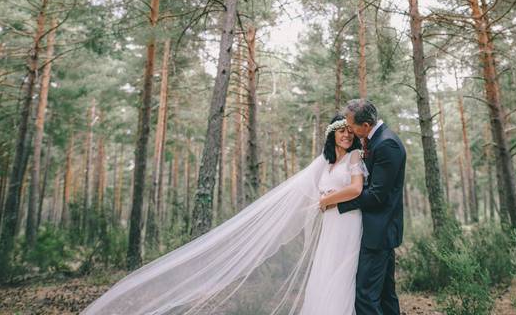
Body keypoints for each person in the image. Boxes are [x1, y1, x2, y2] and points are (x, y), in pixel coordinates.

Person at [81, 113, 369, 315]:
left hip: (347, 222)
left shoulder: (355, 157)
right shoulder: (325, 163)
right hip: (332, 222)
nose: (345, 136)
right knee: (324, 273)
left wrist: (326, 200)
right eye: (340, 131)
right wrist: (321, 201)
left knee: (342, 274)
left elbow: (356, 189)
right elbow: (305, 190)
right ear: (331, 134)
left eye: (348, 132)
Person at [335, 99, 407, 315]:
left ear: (365, 125)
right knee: (385, 295)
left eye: (351, 125)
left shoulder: (387, 144)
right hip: (378, 230)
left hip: (379, 232)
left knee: (365, 297)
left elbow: (377, 195)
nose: (349, 130)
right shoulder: (375, 140)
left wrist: (339, 202)